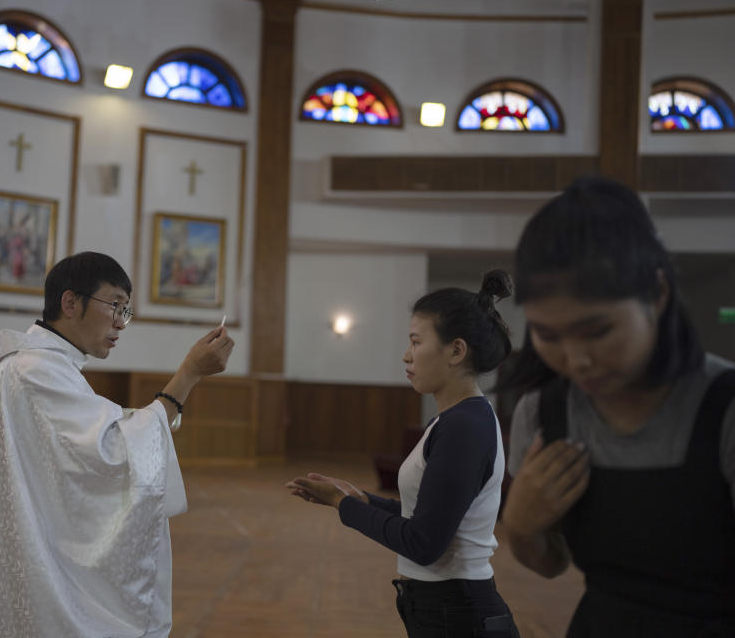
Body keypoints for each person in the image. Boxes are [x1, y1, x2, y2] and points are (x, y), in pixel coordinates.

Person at [0, 252, 234, 638]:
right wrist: (189, 373)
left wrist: (150, 417)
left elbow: (96, 434)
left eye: (125, 311)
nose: (120, 323)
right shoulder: (34, 370)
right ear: (70, 302)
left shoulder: (48, 366)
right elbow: (110, 451)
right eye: (114, 305)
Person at [498, 176, 735, 637]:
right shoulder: (544, 414)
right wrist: (521, 526)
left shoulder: (724, 409)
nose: (576, 359)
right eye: (549, 335)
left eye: (597, 331)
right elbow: (551, 565)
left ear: (658, 295)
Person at [287, 270, 521, 638]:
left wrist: (343, 505)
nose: (406, 355)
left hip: (458, 614)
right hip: (443, 608)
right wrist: (361, 498)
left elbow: (423, 543)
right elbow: (427, 515)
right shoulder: (456, 419)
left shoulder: (464, 427)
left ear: (456, 351)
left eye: (416, 342)